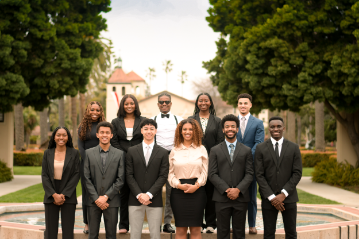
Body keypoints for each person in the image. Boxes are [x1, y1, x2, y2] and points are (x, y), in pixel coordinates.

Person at [255, 116, 302, 239]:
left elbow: (297, 173)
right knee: (269, 234)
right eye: (273, 127)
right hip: (268, 199)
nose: (276, 129)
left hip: (289, 197)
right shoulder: (261, 148)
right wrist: (272, 197)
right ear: (269, 129)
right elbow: (259, 174)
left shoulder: (294, 148)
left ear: (283, 128)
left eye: (278, 126)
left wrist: (283, 194)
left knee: (291, 233)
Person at [209, 114, 254, 239]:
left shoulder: (246, 150)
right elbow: (212, 174)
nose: (230, 129)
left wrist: (238, 190)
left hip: (241, 198)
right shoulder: (215, 150)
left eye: (233, 127)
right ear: (223, 129)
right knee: (222, 232)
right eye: (227, 127)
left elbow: (250, 173)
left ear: (237, 129)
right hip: (221, 198)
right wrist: (227, 189)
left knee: (239, 233)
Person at [126, 118, 169, 239]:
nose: (148, 131)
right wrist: (139, 194)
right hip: (135, 199)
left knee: (155, 235)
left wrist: (149, 194)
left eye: (151, 129)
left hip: (154, 200)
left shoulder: (163, 152)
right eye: (146, 129)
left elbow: (163, 176)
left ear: (156, 131)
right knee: (134, 234)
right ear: (141, 131)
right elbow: (129, 175)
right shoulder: (132, 151)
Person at [188, 93, 224, 233]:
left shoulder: (217, 121)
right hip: (193, 162)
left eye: (206, 100)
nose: (203, 102)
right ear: (197, 103)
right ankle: (197, 223)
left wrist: (211, 159)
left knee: (210, 193)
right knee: (197, 194)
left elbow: (220, 141)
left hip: (211, 162)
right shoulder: (191, 120)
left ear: (210, 103)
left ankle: (210, 223)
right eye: (200, 100)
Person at [83, 121, 125, 239]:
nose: (104, 135)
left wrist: (106, 196)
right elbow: (86, 178)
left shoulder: (120, 154)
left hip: (111, 202)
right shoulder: (88, 153)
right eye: (102, 132)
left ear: (111, 135)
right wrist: (97, 198)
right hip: (93, 201)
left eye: (107, 132)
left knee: (111, 235)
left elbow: (120, 179)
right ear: (97, 135)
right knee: (92, 235)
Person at [110, 94, 146, 233]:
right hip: (121, 161)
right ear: (122, 105)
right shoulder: (115, 121)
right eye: (126, 104)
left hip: (139, 161)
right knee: (124, 193)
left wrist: (135, 154)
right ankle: (123, 225)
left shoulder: (143, 121)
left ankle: (138, 225)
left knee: (138, 192)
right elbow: (114, 141)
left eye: (132, 103)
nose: (129, 106)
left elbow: (146, 138)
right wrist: (124, 155)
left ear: (136, 105)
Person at [168, 118, 208, 239]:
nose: (187, 132)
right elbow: (170, 174)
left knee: (196, 229)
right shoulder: (174, 151)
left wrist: (196, 186)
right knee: (180, 229)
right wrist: (179, 185)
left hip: (198, 191)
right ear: (180, 131)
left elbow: (205, 172)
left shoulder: (201, 149)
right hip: (178, 192)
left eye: (190, 129)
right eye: (184, 129)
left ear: (195, 131)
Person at [151, 92, 183, 233]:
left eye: (167, 102)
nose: (164, 104)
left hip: (173, 157)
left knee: (171, 191)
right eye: (161, 102)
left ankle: (167, 223)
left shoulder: (179, 120)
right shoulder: (151, 120)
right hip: (156, 156)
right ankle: (155, 222)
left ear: (171, 104)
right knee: (154, 190)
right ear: (158, 104)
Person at [41, 126, 80, 239]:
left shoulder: (74, 153)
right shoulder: (47, 153)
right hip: (50, 195)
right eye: (58, 135)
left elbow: (76, 174)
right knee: (50, 232)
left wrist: (64, 194)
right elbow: (45, 176)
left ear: (68, 137)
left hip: (68, 194)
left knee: (68, 232)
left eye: (64, 135)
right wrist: (53, 194)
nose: (61, 137)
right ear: (54, 137)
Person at [236, 93, 264, 234]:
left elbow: (258, 144)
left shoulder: (258, 123)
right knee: (233, 196)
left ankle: (252, 224)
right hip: (233, 167)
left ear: (250, 105)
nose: (243, 105)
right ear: (238, 105)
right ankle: (235, 225)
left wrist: (244, 158)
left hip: (250, 166)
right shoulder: (232, 122)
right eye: (240, 103)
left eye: (245, 103)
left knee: (251, 196)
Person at [77, 101, 106, 234]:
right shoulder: (82, 127)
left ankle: (101, 223)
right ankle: (87, 223)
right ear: (88, 110)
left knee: (102, 193)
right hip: (86, 165)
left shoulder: (104, 126)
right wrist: (90, 161)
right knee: (87, 194)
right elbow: (81, 148)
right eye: (92, 110)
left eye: (97, 110)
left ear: (101, 112)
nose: (95, 112)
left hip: (103, 164)